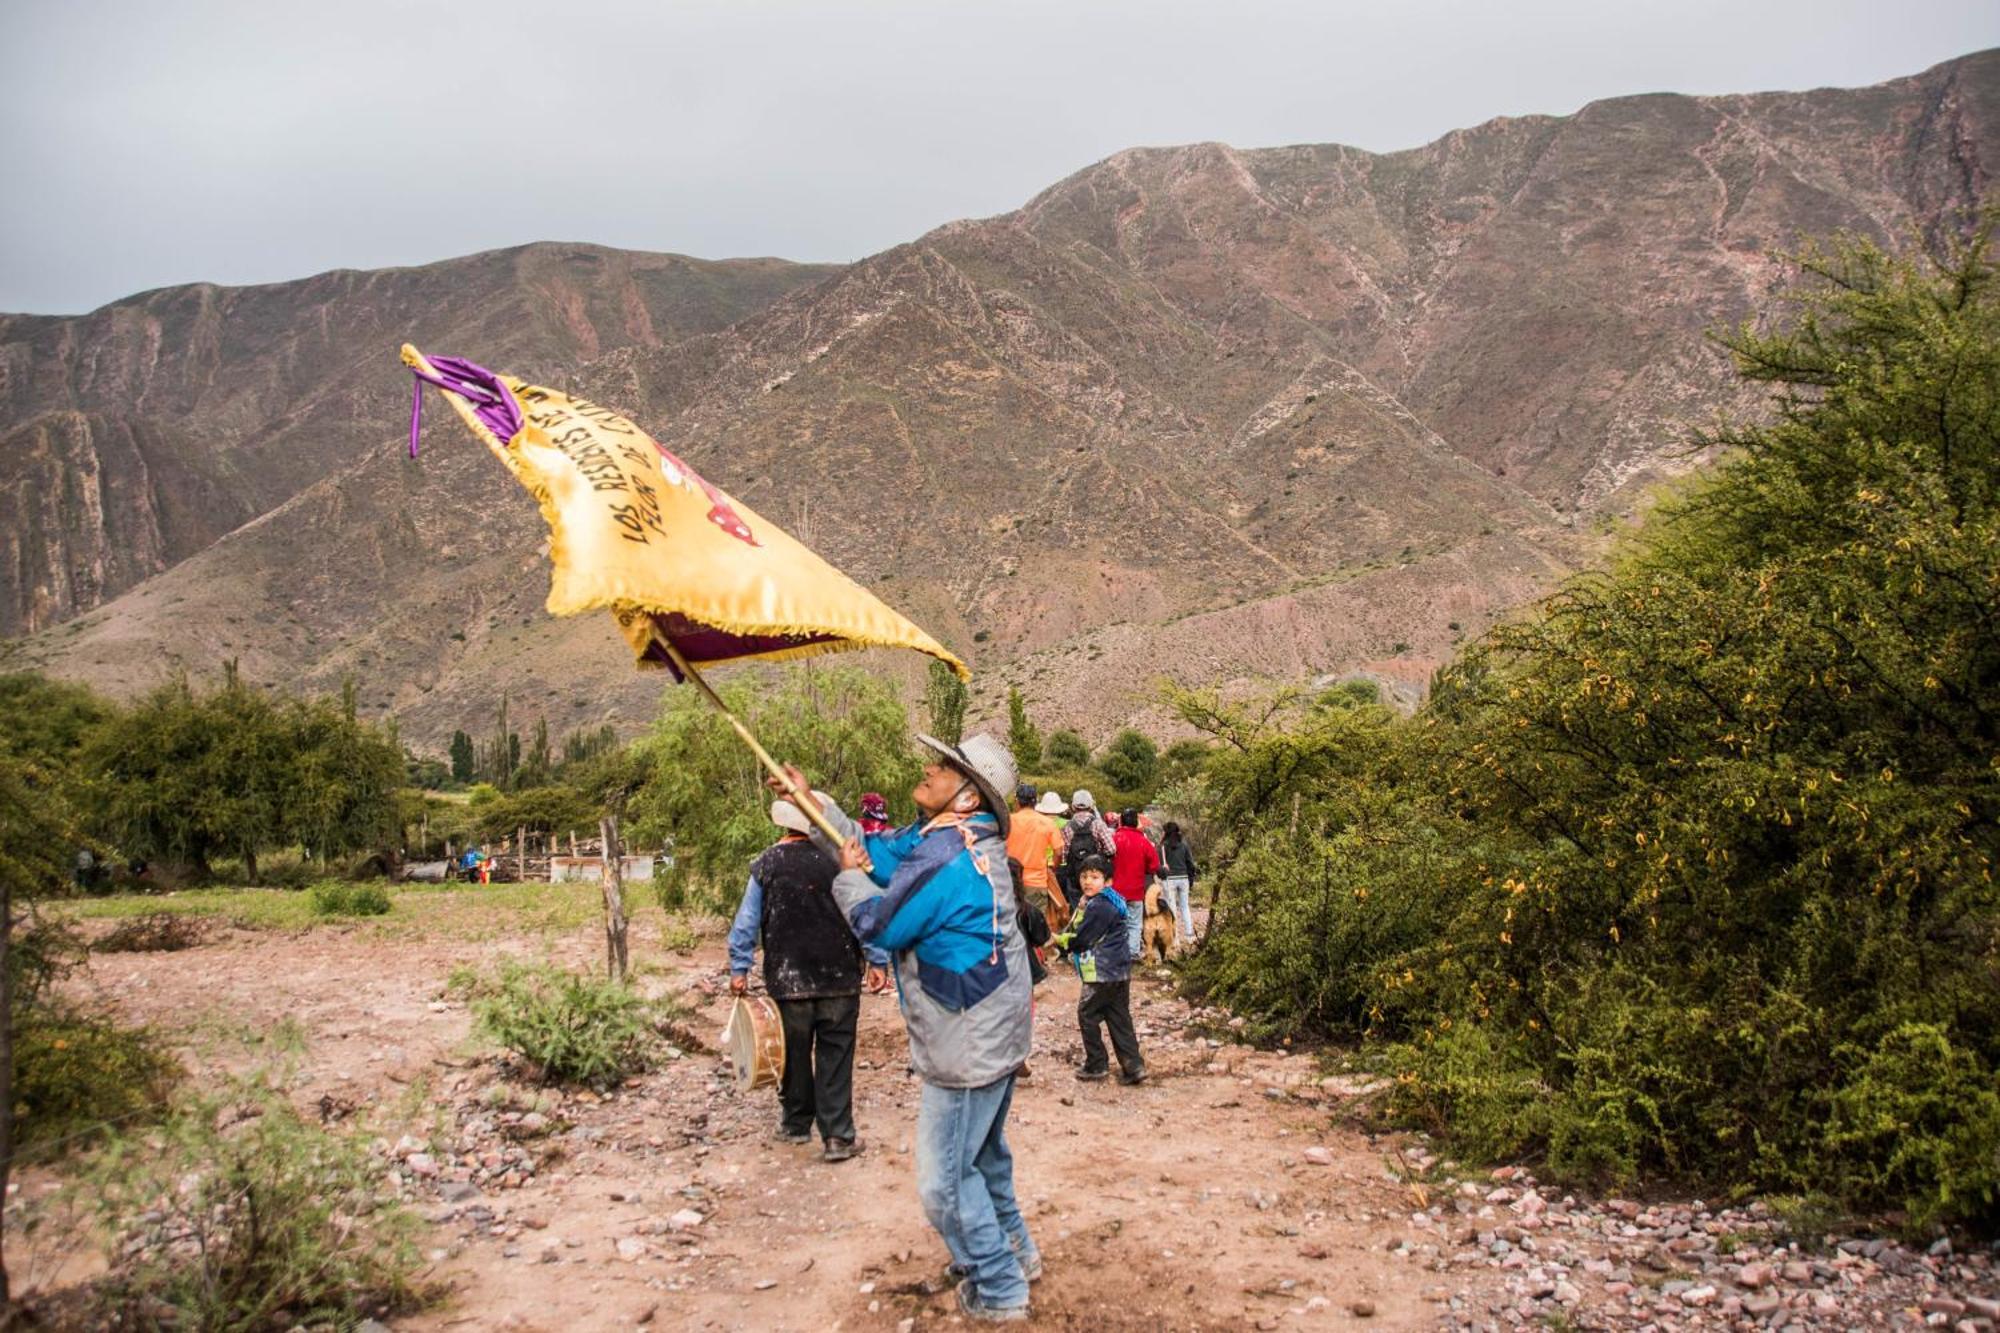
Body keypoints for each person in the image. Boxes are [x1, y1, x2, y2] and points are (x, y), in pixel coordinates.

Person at [770, 732, 1040, 1323]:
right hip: (994, 1026)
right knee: (985, 1155)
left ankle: (998, 1286)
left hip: (966, 1038)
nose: (929, 768)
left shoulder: (948, 858)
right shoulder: (948, 839)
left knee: (945, 1181)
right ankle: (1015, 1254)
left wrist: (846, 878)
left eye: (944, 766)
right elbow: (882, 852)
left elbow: (879, 923)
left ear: (967, 797)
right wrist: (813, 802)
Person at [728, 796, 888, 1162]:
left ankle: (797, 1123)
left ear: (783, 824)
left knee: (794, 1053)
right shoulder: (843, 862)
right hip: (839, 976)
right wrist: (877, 960)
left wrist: (739, 968)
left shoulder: (767, 864)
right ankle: (837, 1136)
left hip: (789, 979)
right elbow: (863, 911)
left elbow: (746, 923)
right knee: (836, 1054)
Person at [1052, 854, 1144, 1085]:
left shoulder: (1099, 906)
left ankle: (1097, 1064)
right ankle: (1134, 1066)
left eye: (1095, 877)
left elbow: (1083, 938)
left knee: (1087, 1014)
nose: (1088, 882)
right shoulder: (1114, 901)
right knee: (1119, 1018)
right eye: (1084, 876)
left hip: (1101, 972)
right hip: (1120, 971)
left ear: (1108, 881)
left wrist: (1060, 941)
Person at [1004, 783, 1064, 938]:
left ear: (1017, 801)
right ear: (1035, 802)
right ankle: (1037, 957)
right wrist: (1053, 867)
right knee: (1036, 925)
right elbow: (1059, 852)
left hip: (1010, 881)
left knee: (1011, 922)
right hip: (1037, 882)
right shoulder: (1047, 823)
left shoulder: (1008, 821)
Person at [1111, 809, 1163, 962]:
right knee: (1134, 923)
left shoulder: (1114, 839)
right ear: (1136, 822)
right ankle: (1132, 953)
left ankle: (1117, 952)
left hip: (1116, 892)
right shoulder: (1144, 842)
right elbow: (1154, 866)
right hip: (1136, 891)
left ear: (1122, 822)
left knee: (1118, 923)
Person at [1160, 821, 1199, 945]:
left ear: (1166, 832)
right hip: (1183, 878)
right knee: (1185, 907)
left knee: (1171, 909)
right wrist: (1191, 879)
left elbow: (1160, 865)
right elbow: (1190, 864)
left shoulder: (1163, 846)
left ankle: (1175, 938)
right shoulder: (1184, 845)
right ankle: (1189, 935)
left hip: (1169, 879)